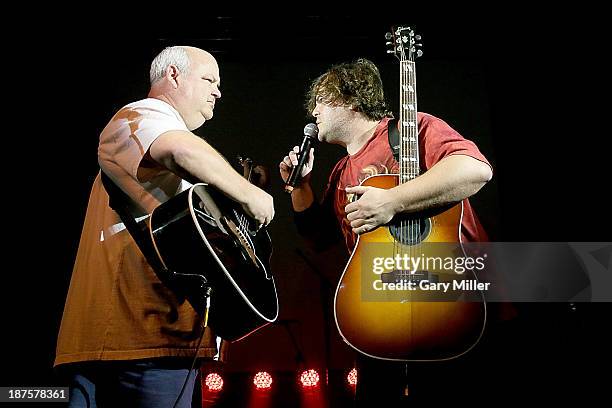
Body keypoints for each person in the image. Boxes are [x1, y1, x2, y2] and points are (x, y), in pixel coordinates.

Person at [55, 46, 274, 407]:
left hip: (157, 342)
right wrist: (248, 192)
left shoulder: (163, 153)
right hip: (131, 340)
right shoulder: (141, 114)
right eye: (209, 80)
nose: (218, 92)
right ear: (173, 75)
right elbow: (179, 150)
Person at [279, 58, 492, 406]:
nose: (312, 111)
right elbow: (318, 239)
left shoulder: (411, 130)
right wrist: (300, 186)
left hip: (452, 304)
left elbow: (474, 170)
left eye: (319, 99)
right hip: (379, 315)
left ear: (347, 99)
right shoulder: (339, 172)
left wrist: (392, 200)